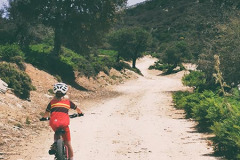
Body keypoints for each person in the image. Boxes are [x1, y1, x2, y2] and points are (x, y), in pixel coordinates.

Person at [40, 82, 84, 160]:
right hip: (64, 122)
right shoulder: (68, 102)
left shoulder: (52, 102)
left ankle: (55, 143)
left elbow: (46, 113)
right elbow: (77, 109)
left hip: (54, 122)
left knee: (56, 131)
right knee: (68, 143)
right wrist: (80, 113)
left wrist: (44, 118)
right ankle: (71, 158)